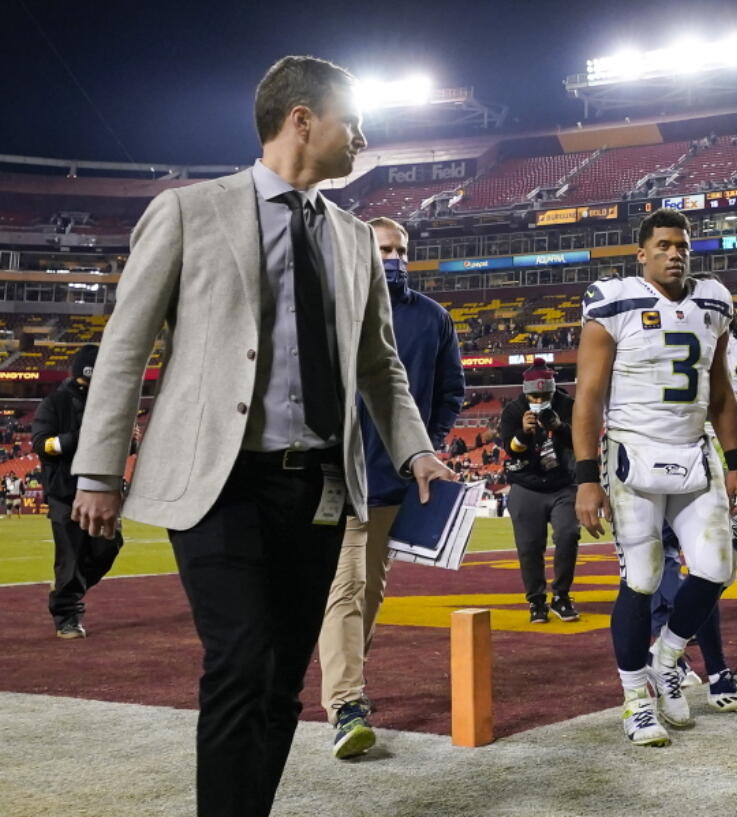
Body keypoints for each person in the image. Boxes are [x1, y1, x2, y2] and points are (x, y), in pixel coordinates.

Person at [69, 56, 454, 817]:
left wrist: (415, 447)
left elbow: (378, 363)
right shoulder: (189, 211)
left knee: (282, 676)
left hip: (317, 483)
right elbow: (125, 343)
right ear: (301, 120)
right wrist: (97, 471)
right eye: (353, 121)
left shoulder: (352, 239)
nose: (364, 139)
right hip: (221, 481)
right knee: (241, 658)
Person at [572, 208, 737, 747]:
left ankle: (666, 656)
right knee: (643, 579)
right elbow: (589, 396)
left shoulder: (713, 302)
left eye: (683, 246)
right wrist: (585, 477)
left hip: (695, 451)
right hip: (633, 454)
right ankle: (633, 700)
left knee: (719, 567)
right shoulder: (614, 301)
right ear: (641, 253)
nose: (676, 254)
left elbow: (720, 392)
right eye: (665, 245)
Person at [317, 216, 463, 759]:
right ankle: (346, 704)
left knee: (369, 593)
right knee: (347, 587)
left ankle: (348, 684)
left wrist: (424, 444)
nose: (393, 258)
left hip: (393, 482)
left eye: (400, 249)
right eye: (383, 249)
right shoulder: (331, 310)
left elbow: (451, 390)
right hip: (338, 477)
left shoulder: (432, 318)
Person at [651, 317, 737, 714]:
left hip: (727, 463)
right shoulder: (669, 325)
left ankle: (671, 648)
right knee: (659, 563)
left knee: (719, 572)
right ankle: (710, 669)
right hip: (676, 454)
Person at [31, 345, 124, 638]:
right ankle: (67, 616)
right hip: (64, 490)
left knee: (108, 546)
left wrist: (128, 442)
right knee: (70, 555)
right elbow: (42, 445)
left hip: (100, 487)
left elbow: (114, 446)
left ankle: (65, 590)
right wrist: (78, 438)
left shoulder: (108, 404)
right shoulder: (55, 403)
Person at [499, 357, 580, 624]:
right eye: (534, 395)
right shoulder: (513, 410)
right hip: (526, 483)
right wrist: (523, 433)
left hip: (562, 483)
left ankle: (561, 596)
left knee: (568, 533)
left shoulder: (567, 405)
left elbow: (581, 441)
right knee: (529, 546)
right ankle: (536, 601)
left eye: (545, 394)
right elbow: (511, 450)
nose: (540, 399)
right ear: (525, 392)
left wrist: (559, 427)